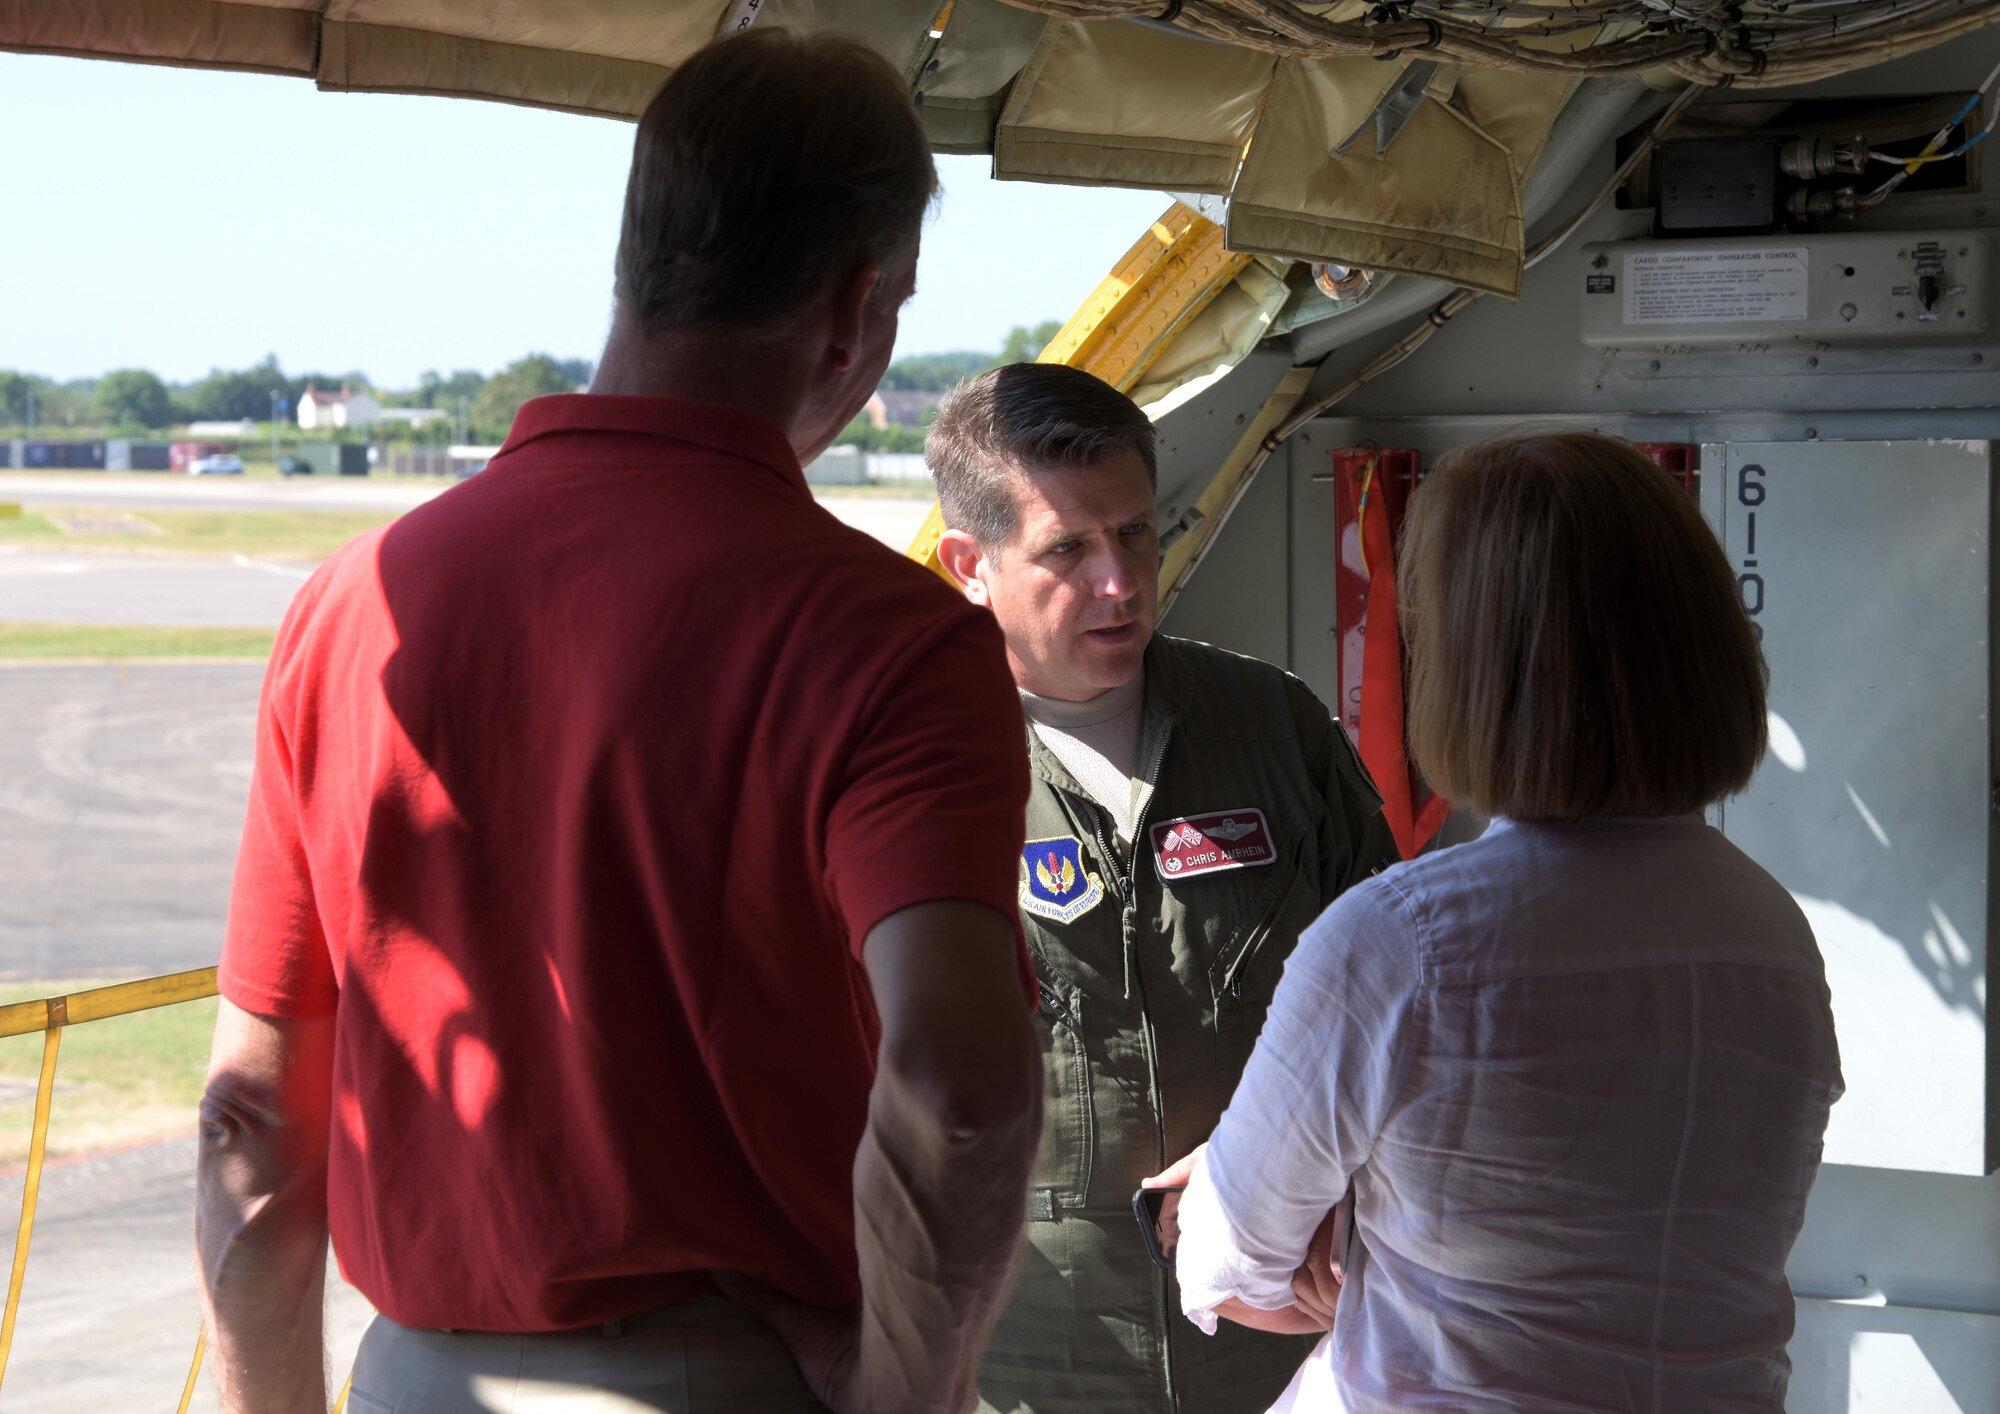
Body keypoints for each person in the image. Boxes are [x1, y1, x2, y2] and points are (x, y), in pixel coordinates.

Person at [196, 30, 1043, 1414]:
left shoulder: (347, 608)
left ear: (635, 256)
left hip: (411, 1374)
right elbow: (960, 1084)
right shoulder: (888, 640)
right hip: (729, 1372)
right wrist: (905, 1390)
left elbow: (250, 1120)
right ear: (857, 313)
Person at [1172, 431, 1844, 1412]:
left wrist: (1196, 1209)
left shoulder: (1395, 942)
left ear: (1467, 666)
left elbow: (1232, 1255)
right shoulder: (1770, 928)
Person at [928, 362, 1397, 1414]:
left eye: (1136, 532)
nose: (1120, 581)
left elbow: (1406, 1010)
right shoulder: (906, 766)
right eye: (1067, 549)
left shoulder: (1273, 729)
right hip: (1024, 1360)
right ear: (970, 562)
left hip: (1275, 1340)